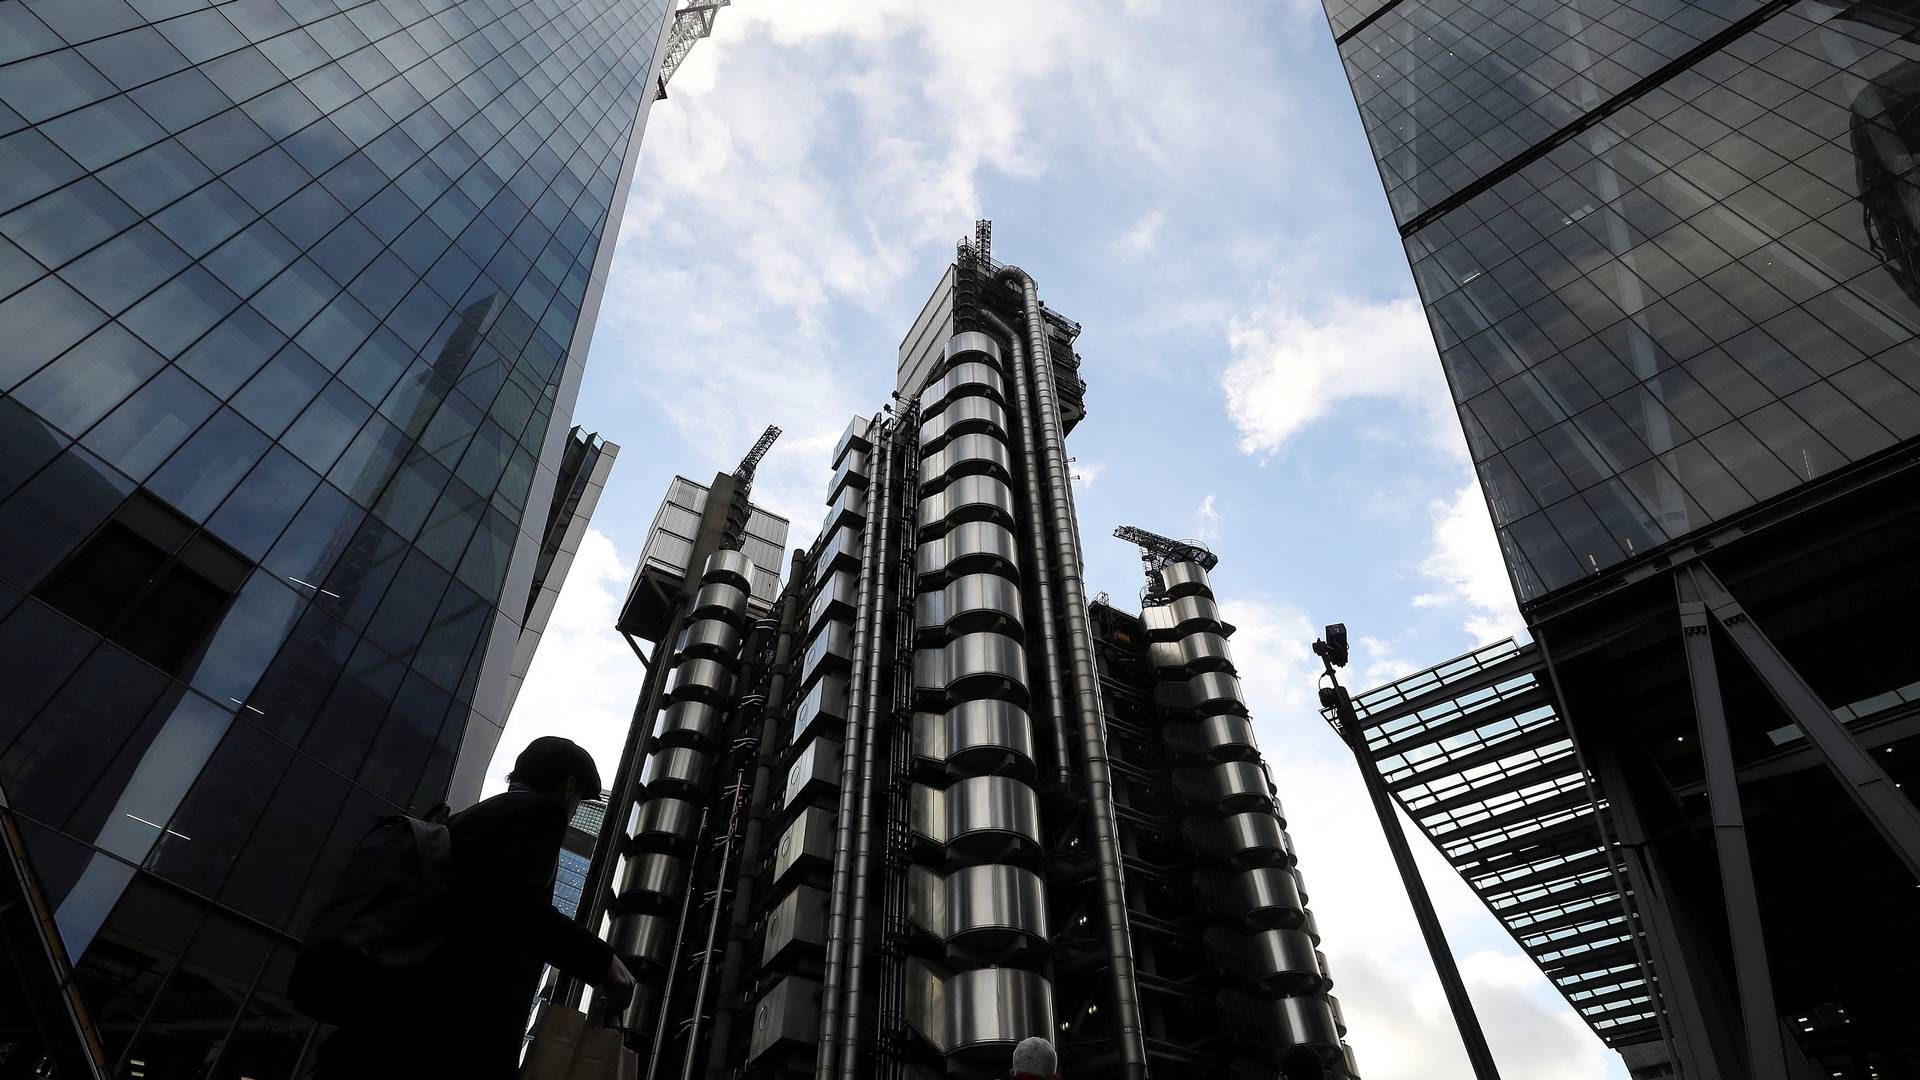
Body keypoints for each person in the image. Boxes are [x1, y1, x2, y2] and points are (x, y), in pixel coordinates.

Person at [316, 737, 635, 1079]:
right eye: (575, 804)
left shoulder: (471, 819)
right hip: (449, 1037)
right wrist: (602, 962)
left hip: (395, 1025)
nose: (571, 814)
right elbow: (520, 912)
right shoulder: (539, 814)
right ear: (568, 787)